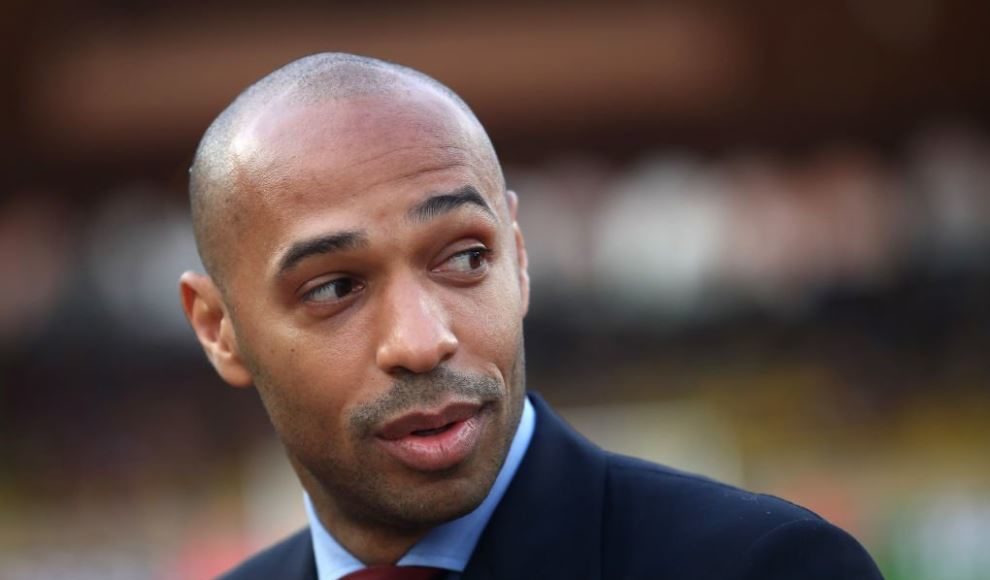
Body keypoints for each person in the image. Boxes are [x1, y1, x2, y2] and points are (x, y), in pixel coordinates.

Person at [179, 53, 884, 580]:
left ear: (518, 258)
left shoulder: (765, 567)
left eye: (465, 258)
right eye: (335, 288)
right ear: (218, 329)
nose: (422, 342)